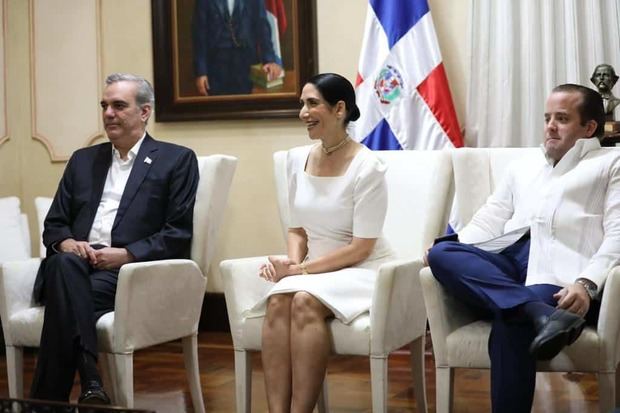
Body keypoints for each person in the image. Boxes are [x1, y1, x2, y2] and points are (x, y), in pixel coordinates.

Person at [427, 83, 620, 413]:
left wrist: (587, 284)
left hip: (563, 276)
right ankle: (539, 313)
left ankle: (526, 309)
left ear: (589, 127)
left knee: (509, 321)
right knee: (442, 252)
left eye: (562, 118)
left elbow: (617, 234)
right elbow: (489, 220)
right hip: (510, 264)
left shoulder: (610, 163)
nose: (550, 126)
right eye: (547, 117)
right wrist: (457, 252)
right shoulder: (523, 166)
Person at [30, 73, 199, 404]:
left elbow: (177, 233)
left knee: (65, 296)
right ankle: (91, 383)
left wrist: (126, 255)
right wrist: (67, 243)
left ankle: (47, 404)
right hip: (73, 264)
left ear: (144, 112)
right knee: (65, 265)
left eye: (119, 106)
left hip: (126, 275)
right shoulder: (83, 160)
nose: (108, 113)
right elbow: (54, 225)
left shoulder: (176, 160)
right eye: (105, 105)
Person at [251, 73, 396, 413]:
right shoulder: (295, 160)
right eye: (302, 103)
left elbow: (361, 247)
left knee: (302, 300)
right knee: (276, 303)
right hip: (315, 269)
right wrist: (290, 266)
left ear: (340, 109)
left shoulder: (368, 167)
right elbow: (296, 229)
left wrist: (299, 272)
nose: (303, 112)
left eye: (312, 103)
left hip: (362, 268)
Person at [192, 0, 283, 96]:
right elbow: (199, 35)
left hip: (246, 66)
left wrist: (269, 59)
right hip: (215, 67)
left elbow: (262, 26)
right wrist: (201, 72)